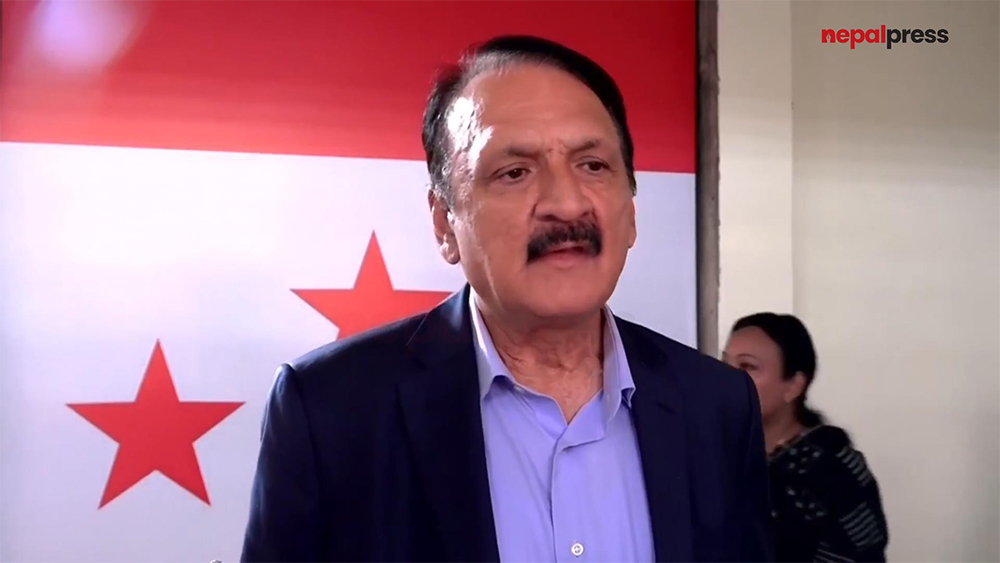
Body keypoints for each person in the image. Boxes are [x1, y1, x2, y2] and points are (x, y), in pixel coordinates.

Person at [241, 35, 772, 562]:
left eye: (593, 166)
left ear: (631, 210)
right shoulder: (331, 410)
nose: (567, 204)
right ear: (444, 223)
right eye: (514, 173)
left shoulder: (717, 406)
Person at [723, 312, 889, 562]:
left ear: (794, 386)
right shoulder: (714, 452)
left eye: (747, 366)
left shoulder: (833, 469)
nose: (727, 378)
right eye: (724, 364)